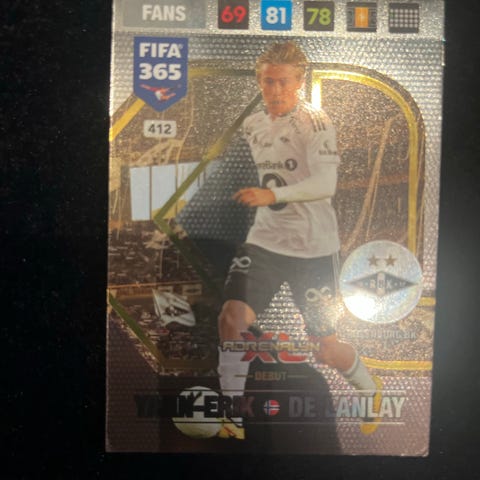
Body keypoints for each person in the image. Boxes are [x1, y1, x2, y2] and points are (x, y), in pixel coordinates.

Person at [217, 41, 381, 439]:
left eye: (283, 82)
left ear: (299, 82)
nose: (274, 90)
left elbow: (326, 183)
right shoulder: (253, 125)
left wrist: (272, 195)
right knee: (231, 319)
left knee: (325, 347)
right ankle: (230, 416)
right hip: (265, 243)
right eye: (267, 81)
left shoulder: (315, 122)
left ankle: (369, 388)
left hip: (314, 249)